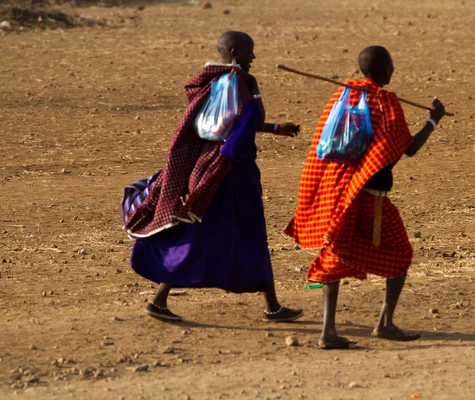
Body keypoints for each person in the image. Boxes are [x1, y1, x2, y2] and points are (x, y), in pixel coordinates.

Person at [122, 31, 303, 323]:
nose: (253, 57)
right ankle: (271, 306)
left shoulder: (211, 81)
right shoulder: (243, 83)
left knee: (200, 231)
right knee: (251, 232)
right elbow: (245, 127)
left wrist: (274, 129)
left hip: (205, 167)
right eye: (249, 52)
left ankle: (161, 298)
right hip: (232, 172)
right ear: (234, 53)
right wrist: (256, 102)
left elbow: (224, 124)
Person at [285, 46, 445, 349]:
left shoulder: (344, 95)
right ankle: (384, 323)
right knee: (399, 254)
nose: (393, 70)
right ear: (385, 70)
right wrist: (433, 121)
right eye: (392, 65)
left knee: (335, 252)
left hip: (340, 192)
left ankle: (329, 331)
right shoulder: (385, 103)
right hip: (371, 198)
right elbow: (407, 148)